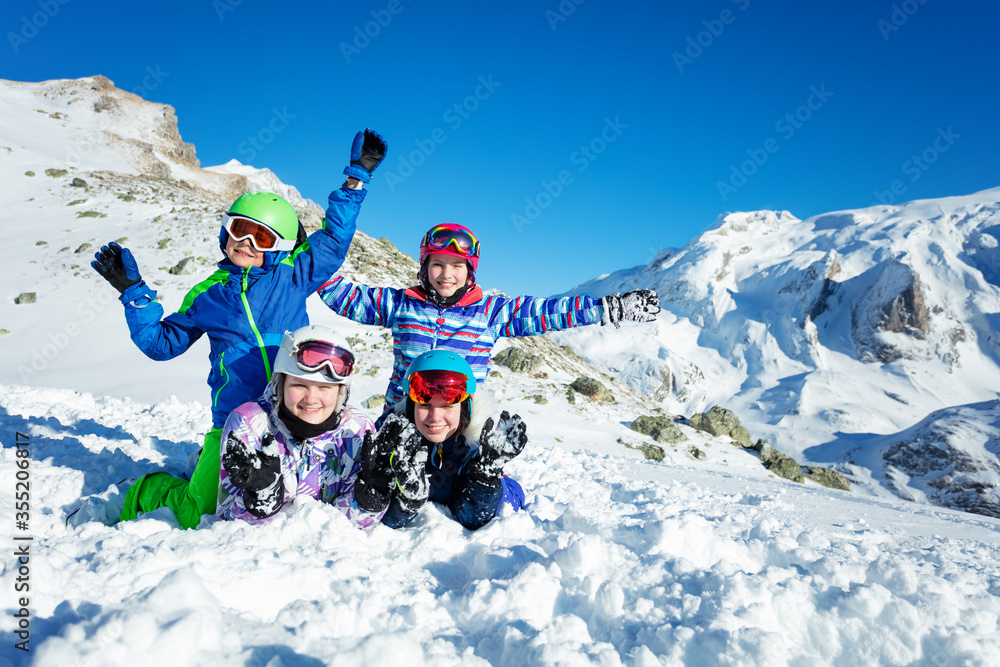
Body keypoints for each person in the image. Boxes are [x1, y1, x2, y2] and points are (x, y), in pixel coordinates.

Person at [75, 130, 388, 529]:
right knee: (200, 511)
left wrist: (356, 178)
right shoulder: (207, 294)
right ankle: (148, 489)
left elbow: (334, 239)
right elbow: (161, 344)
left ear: (279, 246)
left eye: (261, 236)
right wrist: (134, 295)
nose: (245, 241)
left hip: (294, 417)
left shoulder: (292, 277)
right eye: (239, 229)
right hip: (233, 422)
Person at [317, 223, 661, 413]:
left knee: (479, 501)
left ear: (470, 272)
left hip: (461, 420)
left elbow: (549, 313)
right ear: (424, 268)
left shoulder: (491, 312)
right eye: (437, 264)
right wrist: (311, 262)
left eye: (456, 266)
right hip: (404, 416)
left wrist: (609, 308)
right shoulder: (403, 304)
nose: (445, 275)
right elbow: (347, 298)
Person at [218, 325, 424, 527]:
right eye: (299, 385)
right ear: (280, 385)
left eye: (325, 387)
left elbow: (352, 526)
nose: (311, 399)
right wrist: (261, 500)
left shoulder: (357, 430)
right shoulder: (249, 423)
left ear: (341, 393)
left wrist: (369, 502)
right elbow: (224, 515)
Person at [355, 349, 528, 531]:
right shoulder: (389, 441)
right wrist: (406, 503)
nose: (435, 417)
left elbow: (477, 516)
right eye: (425, 405)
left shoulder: (474, 448)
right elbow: (378, 519)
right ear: (409, 405)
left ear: (465, 408)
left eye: (447, 406)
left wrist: (485, 480)